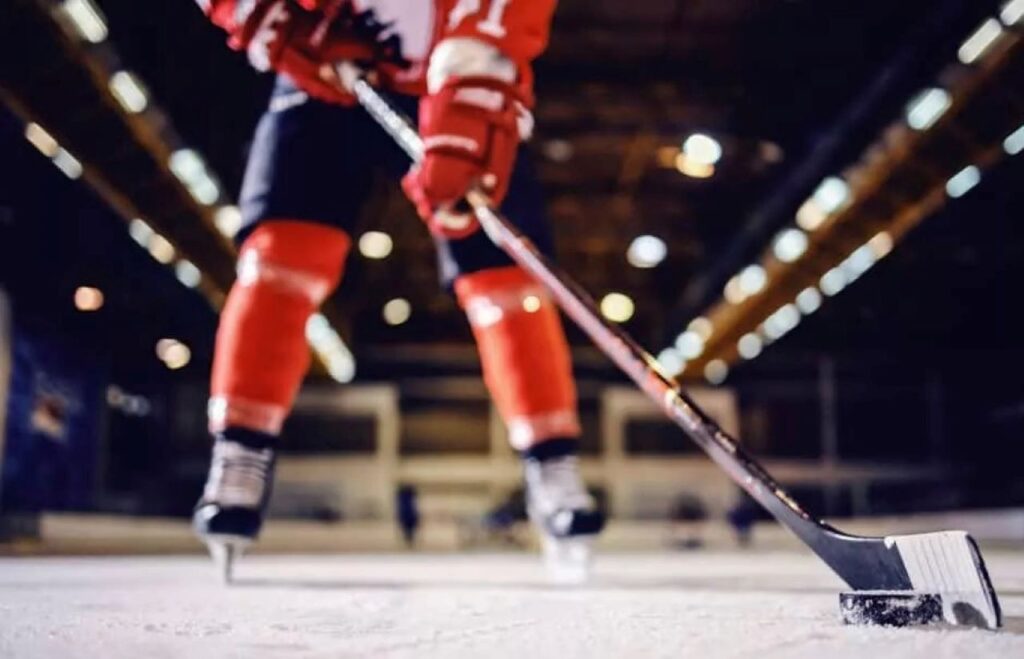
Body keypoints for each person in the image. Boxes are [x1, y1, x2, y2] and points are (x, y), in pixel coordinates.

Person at [190, 0, 604, 579]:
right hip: (326, 63)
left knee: (505, 279)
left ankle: (552, 467)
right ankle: (239, 454)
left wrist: (477, 80)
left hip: (449, 72)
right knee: (282, 255)